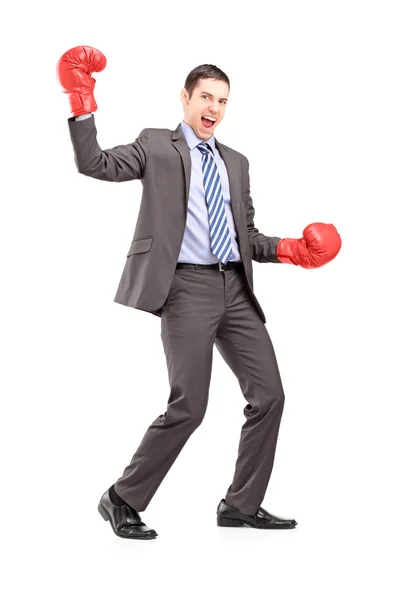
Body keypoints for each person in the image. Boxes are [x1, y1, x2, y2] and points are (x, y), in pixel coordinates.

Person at [56, 45, 342, 541]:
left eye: (223, 101)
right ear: (185, 98)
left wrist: (293, 249)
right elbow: (95, 164)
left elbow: (245, 236)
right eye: (206, 97)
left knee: (269, 394)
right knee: (190, 405)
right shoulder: (156, 145)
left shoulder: (236, 162)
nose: (213, 108)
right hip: (185, 286)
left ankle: (241, 504)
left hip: (235, 286)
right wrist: (81, 97)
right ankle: (122, 497)